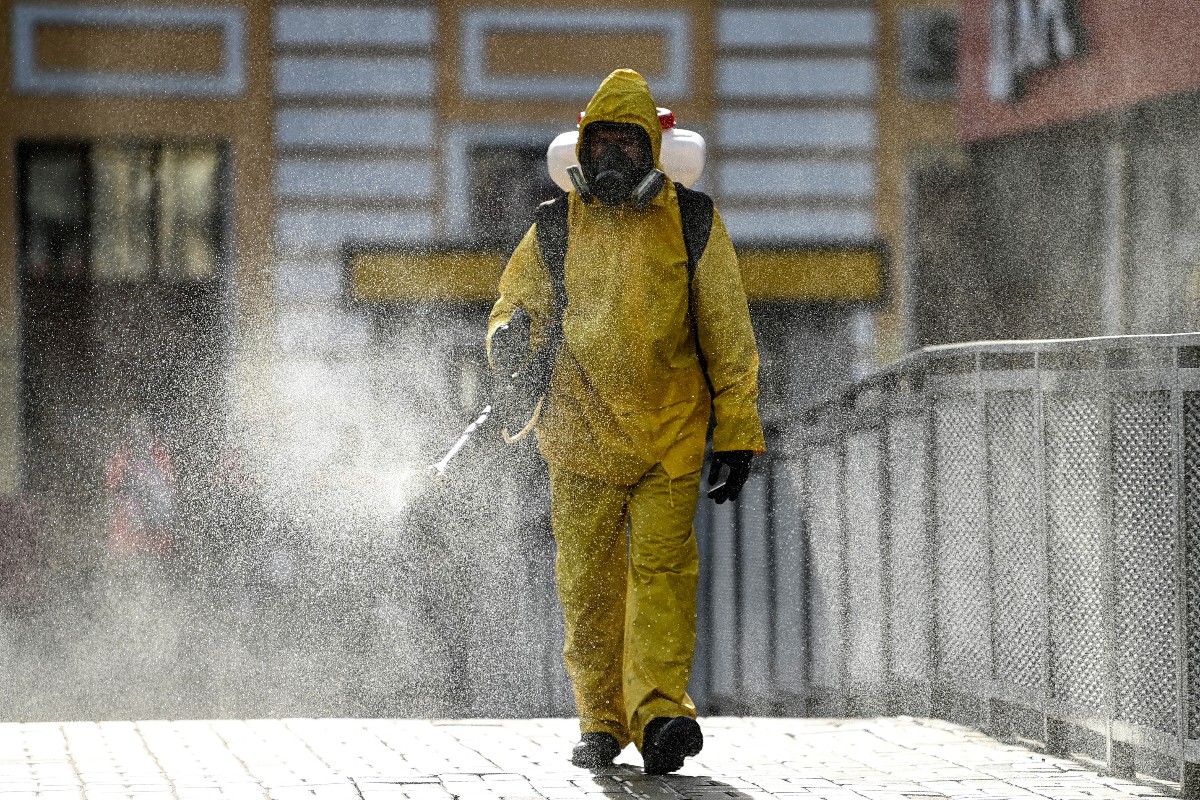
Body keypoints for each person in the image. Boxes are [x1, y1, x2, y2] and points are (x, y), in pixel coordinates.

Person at [486, 69, 765, 774]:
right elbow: (512, 312)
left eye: (627, 146)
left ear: (654, 150)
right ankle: (601, 721)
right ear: (582, 147)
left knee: (662, 575)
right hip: (579, 439)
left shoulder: (693, 221)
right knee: (588, 585)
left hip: (668, 435)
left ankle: (661, 714)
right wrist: (510, 343)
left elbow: (728, 334)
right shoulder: (554, 226)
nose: (611, 161)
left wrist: (737, 429)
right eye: (600, 144)